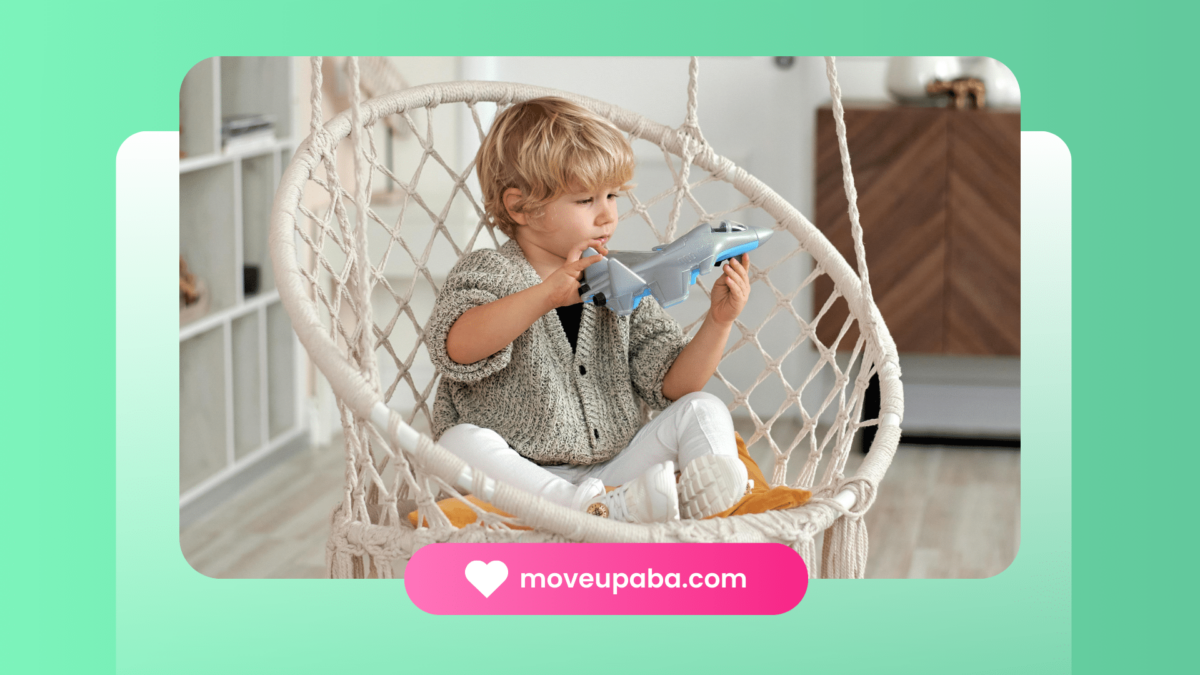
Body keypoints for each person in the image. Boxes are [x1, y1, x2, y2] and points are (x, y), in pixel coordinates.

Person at [426, 97, 752, 523]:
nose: (607, 216)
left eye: (612, 195)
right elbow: (456, 348)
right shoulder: (490, 271)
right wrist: (544, 296)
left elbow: (675, 387)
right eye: (585, 201)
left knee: (703, 409)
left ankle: (702, 501)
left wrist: (719, 321)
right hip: (522, 482)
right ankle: (589, 511)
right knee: (457, 443)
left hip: (616, 472)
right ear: (519, 206)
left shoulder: (623, 278)